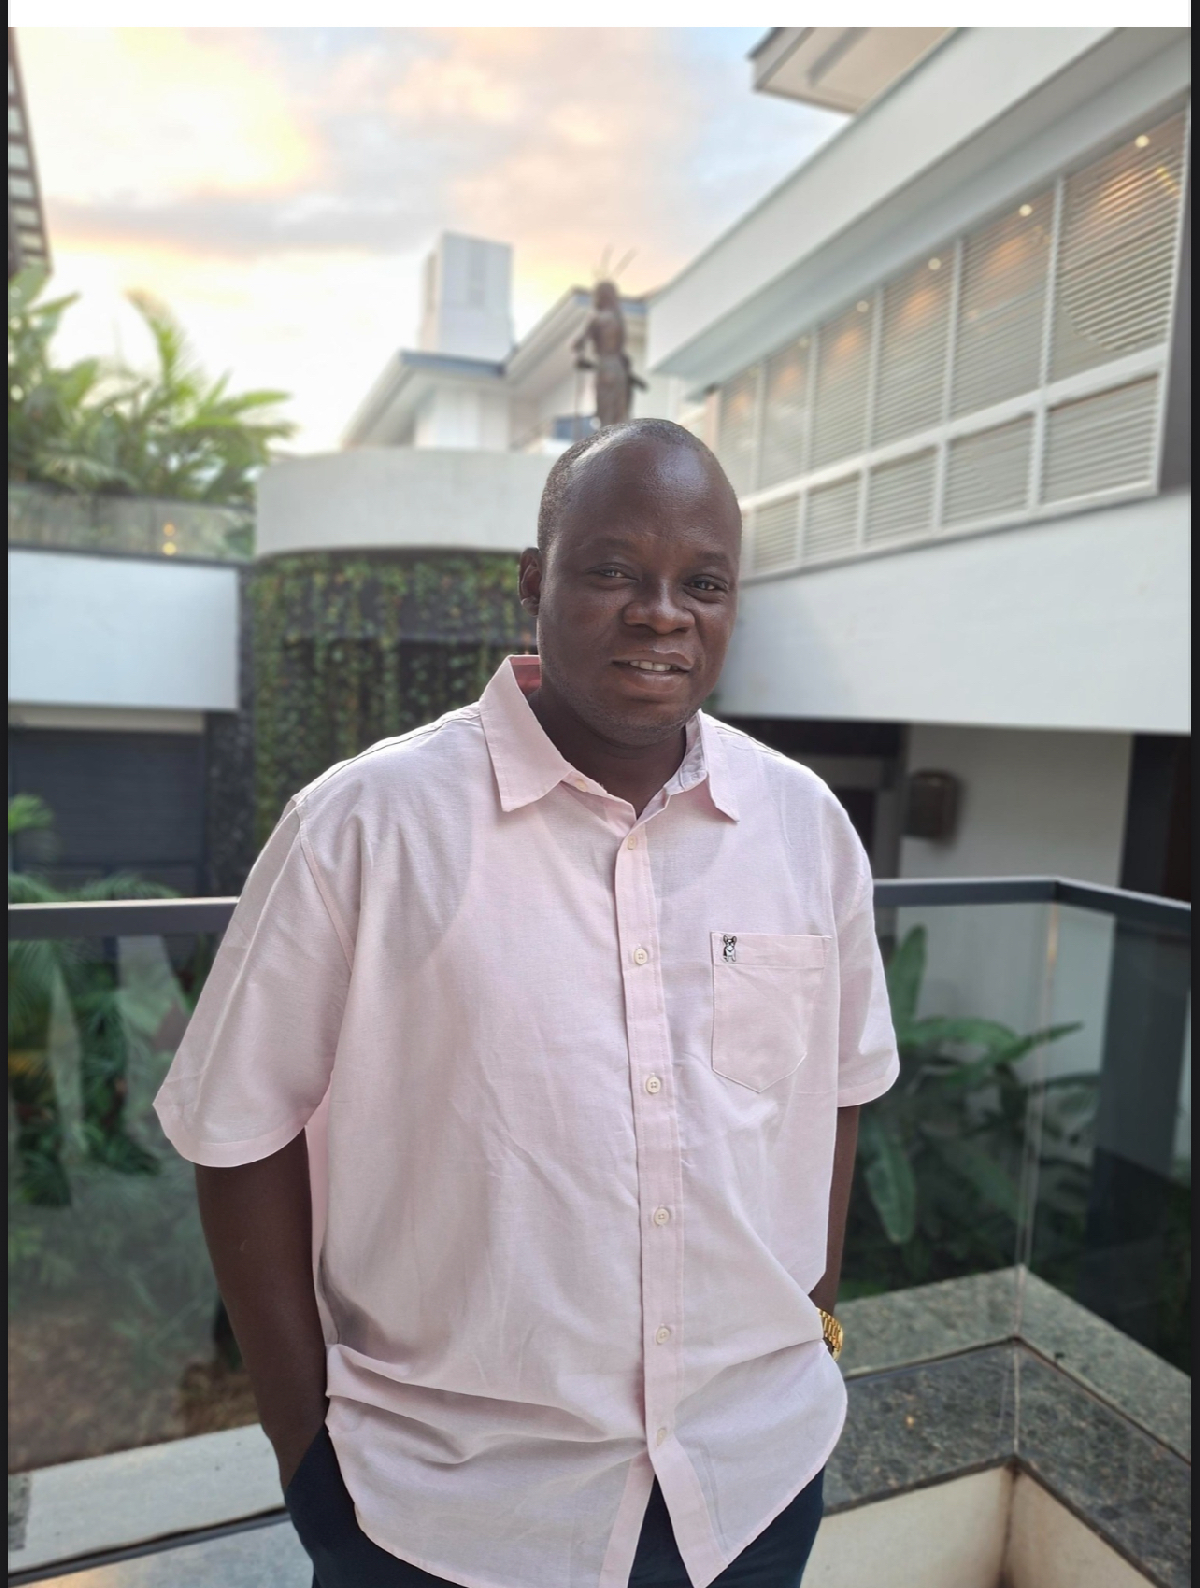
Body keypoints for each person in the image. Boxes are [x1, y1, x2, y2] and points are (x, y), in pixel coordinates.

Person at [154, 419, 899, 1588]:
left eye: (703, 583)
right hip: (445, 1521)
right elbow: (236, 1134)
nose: (662, 613)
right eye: (614, 570)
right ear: (532, 582)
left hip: (752, 1488)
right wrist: (309, 1458)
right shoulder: (366, 825)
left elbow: (836, 1094)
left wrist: (814, 1329)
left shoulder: (806, 825)